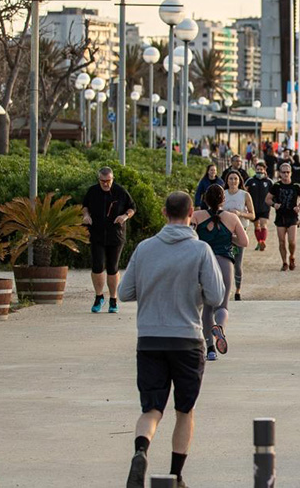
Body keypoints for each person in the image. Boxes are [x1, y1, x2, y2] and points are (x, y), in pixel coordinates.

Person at [119, 191, 225, 488]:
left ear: (165, 212)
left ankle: (141, 451)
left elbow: (125, 293)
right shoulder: (201, 250)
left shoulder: (144, 248)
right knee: (184, 410)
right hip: (187, 340)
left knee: (151, 409)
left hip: (150, 339)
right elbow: (216, 296)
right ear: (192, 212)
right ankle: (176, 475)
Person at [191, 184, 249, 361]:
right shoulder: (232, 218)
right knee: (222, 306)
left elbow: (188, 235)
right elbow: (244, 242)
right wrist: (229, 237)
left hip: (203, 262)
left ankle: (210, 349)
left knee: (207, 307)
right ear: (223, 200)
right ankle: (220, 328)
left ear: (205, 199)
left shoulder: (197, 216)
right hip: (224, 261)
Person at [82, 167, 137, 314]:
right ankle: (99, 297)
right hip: (97, 233)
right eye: (103, 181)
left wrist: (125, 216)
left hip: (115, 234)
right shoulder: (93, 191)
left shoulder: (120, 191)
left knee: (113, 267)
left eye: (108, 181)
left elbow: (132, 208)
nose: (105, 184)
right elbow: (85, 206)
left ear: (112, 179)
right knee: (97, 265)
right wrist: (86, 216)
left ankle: (113, 299)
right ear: (98, 179)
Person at [223, 172, 256, 302]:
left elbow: (253, 215)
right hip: (225, 231)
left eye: (235, 178)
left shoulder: (244, 195)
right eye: (230, 178)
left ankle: (238, 290)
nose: (233, 181)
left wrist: (240, 213)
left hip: (240, 230)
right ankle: (226, 289)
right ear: (227, 180)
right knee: (225, 261)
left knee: (238, 263)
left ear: (239, 181)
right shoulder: (223, 194)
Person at [266, 163, 300, 271]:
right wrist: (274, 205)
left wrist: (299, 207)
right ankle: (284, 262)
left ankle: (292, 256)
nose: (286, 174)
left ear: (291, 173)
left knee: (292, 241)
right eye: (283, 172)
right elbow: (268, 199)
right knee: (282, 241)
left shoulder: (296, 186)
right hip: (280, 217)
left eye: (288, 172)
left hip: (292, 217)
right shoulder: (276, 186)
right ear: (280, 173)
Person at [245, 162, 273, 252]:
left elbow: (274, 193)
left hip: (265, 207)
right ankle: (260, 242)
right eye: (258, 169)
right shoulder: (250, 181)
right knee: (256, 226)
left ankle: (262, 241)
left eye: (261, 170)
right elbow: (245, 191)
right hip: (253, 207)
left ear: (264, 170)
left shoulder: (269, 182)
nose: (259, 171)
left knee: (263, 225)